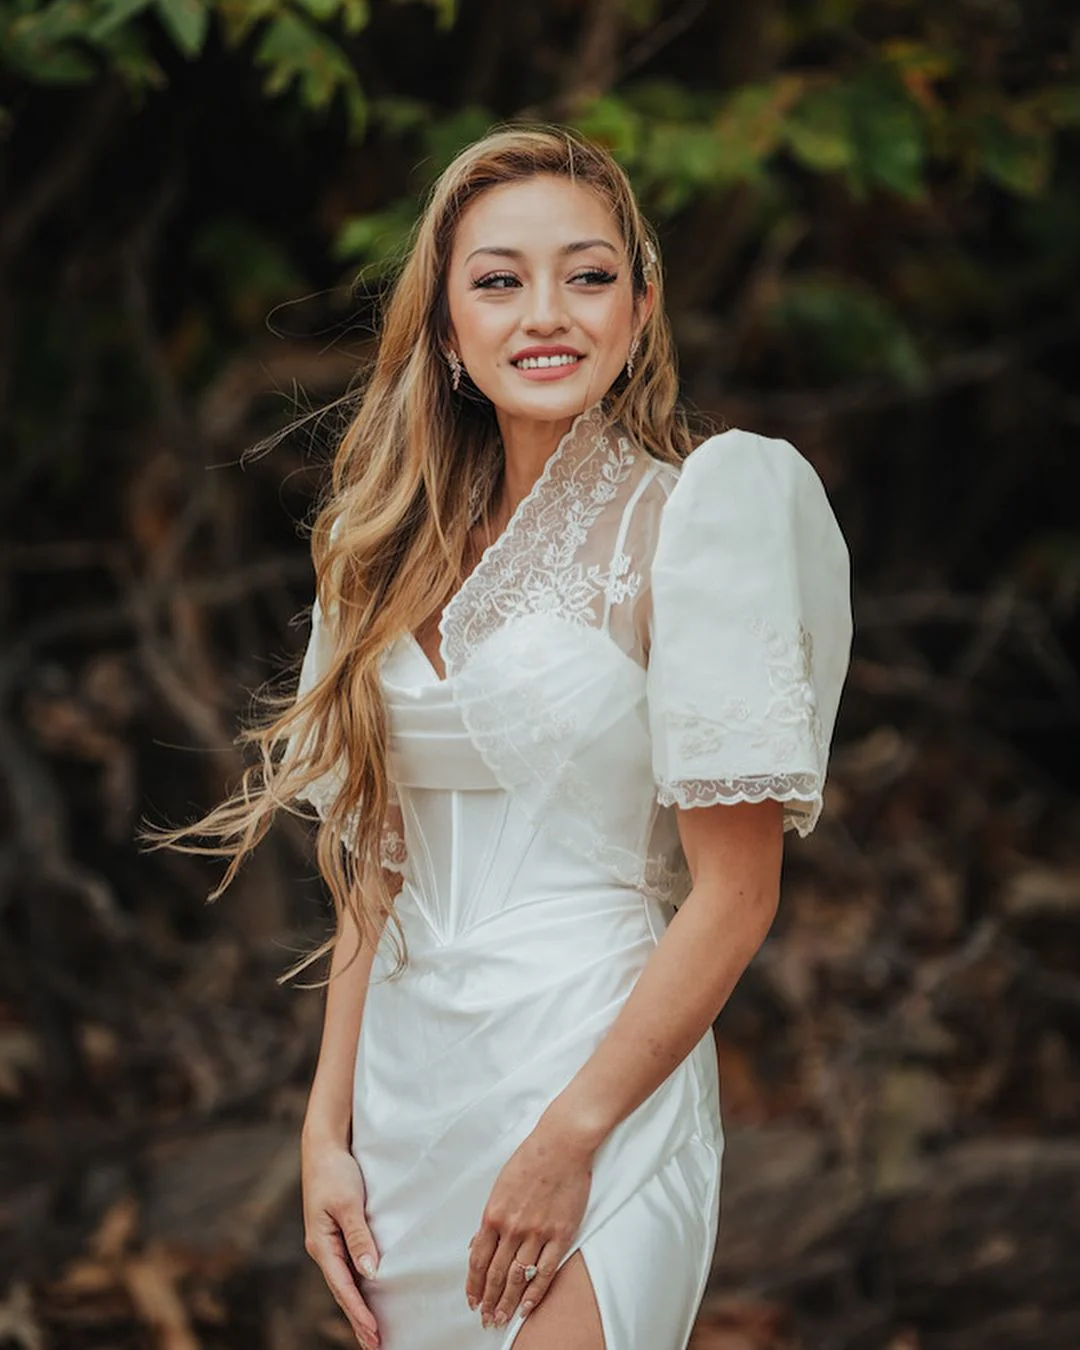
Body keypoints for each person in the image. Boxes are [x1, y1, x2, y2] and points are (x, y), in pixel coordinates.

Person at [161, 124, 852, 1350]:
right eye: (498, 280)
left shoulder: (703, 520)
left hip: (599, 1077)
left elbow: (737, 895)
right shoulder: (375, 552)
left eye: (588, 276)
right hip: (410, 1100)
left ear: (640, 308)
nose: (547, 314)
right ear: (443, 325)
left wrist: (572, 1135)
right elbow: (376, 862)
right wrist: (327, 1131)